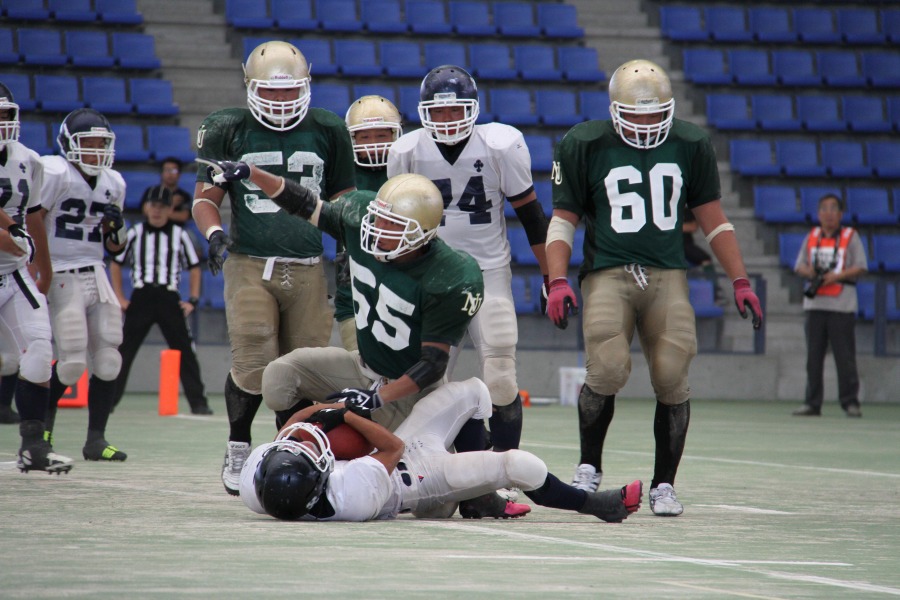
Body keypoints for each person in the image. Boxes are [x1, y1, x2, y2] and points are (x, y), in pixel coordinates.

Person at [202, 162, 520, 517]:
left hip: (410, 391)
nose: (377, 229)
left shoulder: (450, 274)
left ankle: (471, 491)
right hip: (362, 368)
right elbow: (304, 203)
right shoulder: (360, 216)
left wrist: (376, 398)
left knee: (435, 506)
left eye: (392, 225)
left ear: (422, 234)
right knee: (278, 376)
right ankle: (306, 451)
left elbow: (432, 364)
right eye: (379, 218)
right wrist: (253, 173)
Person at [544, 59, 764, 517]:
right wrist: (558, 279)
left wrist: (740, 279)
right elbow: (563, 219)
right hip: (608, 272)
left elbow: (714, 221)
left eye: (654, 114)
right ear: (615, 110)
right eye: (635, 115)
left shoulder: (690, 142)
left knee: (671, 374)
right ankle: (589, 465)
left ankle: (664, 484)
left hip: (667, 274)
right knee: (606, 368)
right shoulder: (584, 142)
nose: (645, 125)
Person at [191, 40, 357, 496]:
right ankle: (238, 444)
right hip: (250, 261)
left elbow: (344, 202)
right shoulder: (227, 127)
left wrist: (348, 249)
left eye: (289, 91)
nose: (281, 101)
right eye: (270, 91)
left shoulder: (328, 128)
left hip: (307, 266)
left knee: (303, 371)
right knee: (252, 359)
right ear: (250, 88)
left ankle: (292, 450)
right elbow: (205, 198)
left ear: (306, 87)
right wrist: (214, 233)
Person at [387, 65, 550, 484]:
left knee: (501, 375)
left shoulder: (500, 145)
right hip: (430, 280)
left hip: (486, 273)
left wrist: (553, 276)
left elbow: (531, 215)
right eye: (438, 112)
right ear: (424, 113)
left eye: (455, 110)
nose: (447, 120)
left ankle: (503, 474)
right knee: (433, 386)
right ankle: (455, 477)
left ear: (473, 109)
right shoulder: (406, 151)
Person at [240, 377, 643, 523]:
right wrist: (343, 414)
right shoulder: (351, 494)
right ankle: (593, 505)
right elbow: (392, 446)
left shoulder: (263, 484)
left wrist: (317, 414)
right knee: (522, 465)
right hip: (418, 478)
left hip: (398, 460)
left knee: (473, 391)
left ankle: (477, 500)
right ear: (322, 480)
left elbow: (291, 430)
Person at [38, 107, 128, 462]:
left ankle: (96, 440)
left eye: (100, 144)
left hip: (96, 271)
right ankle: (41, 430)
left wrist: (116, 226)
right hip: (61, 272)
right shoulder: (55, 172)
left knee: (109, 358)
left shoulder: (113, 183)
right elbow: (34, 220)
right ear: (69, 144)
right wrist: (39, 270)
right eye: (88, 143)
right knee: (72, 360)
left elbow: (116, 247)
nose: (96, 150)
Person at [0, 82, 73, 473]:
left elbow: (33, 218)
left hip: (12, 273)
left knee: (41, 351)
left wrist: (44, 265)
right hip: (11, 256)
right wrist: (10, 238)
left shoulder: (28, 159)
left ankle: (33, 446)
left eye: (5, 114)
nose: (1, 122)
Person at [109, 185, 213, 415]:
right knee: (125, 350)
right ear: (145, 208)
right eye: (153, 205)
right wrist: (120, 297)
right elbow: (116, 263)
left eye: (162, 206)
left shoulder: (180, 235)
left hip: (168, 297)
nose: (157, 210)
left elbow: (195, 267)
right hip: (141, 296)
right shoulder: (134, 233)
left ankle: (198, 402)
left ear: (170, 209)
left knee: (185, 350)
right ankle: (108, 401)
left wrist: (193, 299)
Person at [336, 94, 403, 351]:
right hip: (356, 285)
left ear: (396, 135)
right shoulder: (340, 173)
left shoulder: (409, 167)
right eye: (365, 137)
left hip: (403, 281)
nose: (374, 144)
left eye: (381, 135)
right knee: (359, 362)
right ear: (352, 139)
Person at [792, 194, 867, 418]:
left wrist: (837, 276)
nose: (829, 213)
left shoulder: (850, 236)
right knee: (813, 357)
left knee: (845, 357)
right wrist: (811, 273)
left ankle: (850, 402)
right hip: (815, 304)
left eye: (833, 209)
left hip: (841, 305)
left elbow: (861, 266)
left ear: (841, 214)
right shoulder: (812, 236)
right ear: (818, 214)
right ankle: (812, 402)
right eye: (824, 209)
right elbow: (799, 265)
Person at [683, 207, 723, 303]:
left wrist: (674, 227)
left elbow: (693, 226)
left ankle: (715, 291)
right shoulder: (664, 208)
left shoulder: (687, 211)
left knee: (706, 259)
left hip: (686, 245)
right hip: (669, 246)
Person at [140, 157, 192, 225]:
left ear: (179, 174)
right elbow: (146, 211)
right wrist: (170, 203)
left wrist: (158, 213)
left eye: (174, 171)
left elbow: (184, 216)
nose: (170, 174)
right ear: (161, 173)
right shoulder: (151, 191)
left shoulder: (184, 196)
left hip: (176, 229)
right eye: (167, 170)